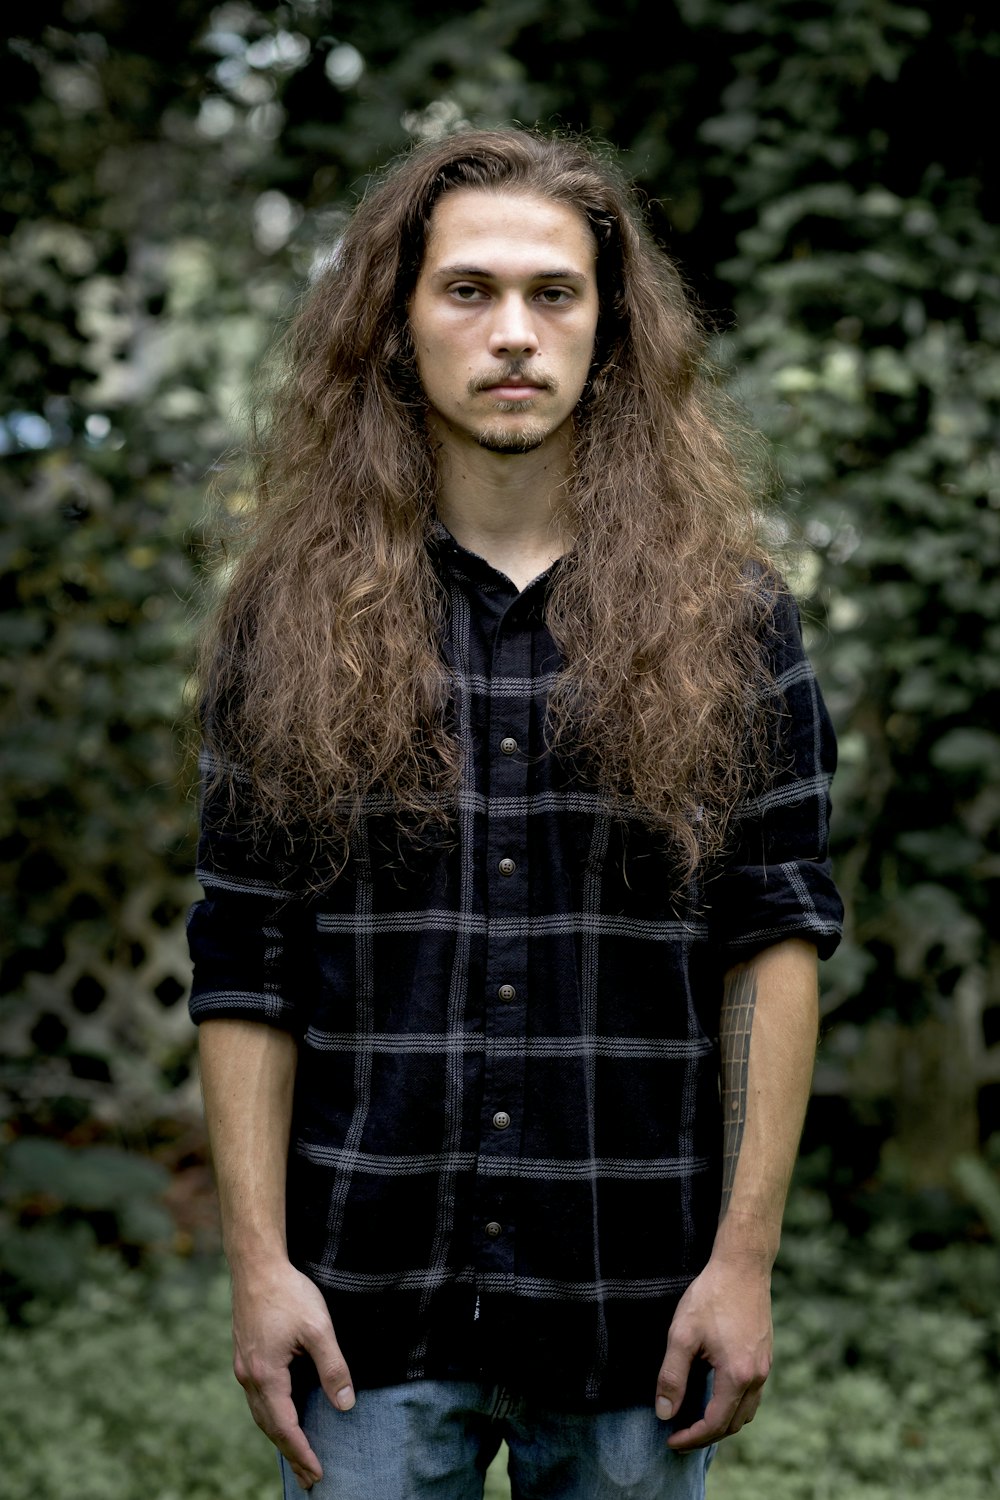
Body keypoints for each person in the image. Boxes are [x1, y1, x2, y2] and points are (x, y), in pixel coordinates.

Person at [187, 127, 843, 1500]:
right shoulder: (285, 619)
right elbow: (244, 960)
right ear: (395, 322)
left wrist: (743, 1263)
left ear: (609, 333)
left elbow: (772, 942)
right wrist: (259, 1269)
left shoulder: (731, 619)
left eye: (555, 293)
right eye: (468, 290)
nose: (514, 333)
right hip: (366, 1314)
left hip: (633, 1316)